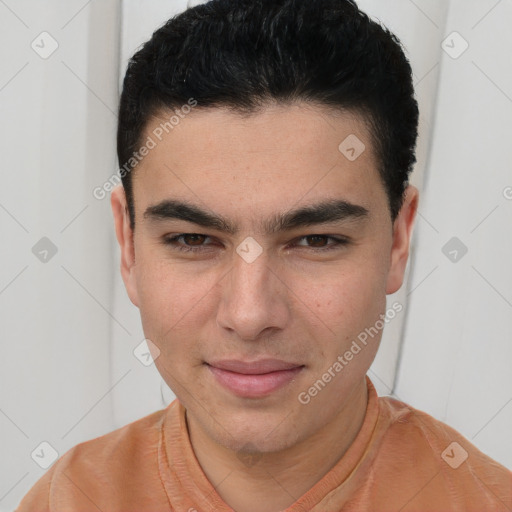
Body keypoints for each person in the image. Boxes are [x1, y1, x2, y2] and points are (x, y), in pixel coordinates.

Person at [17, 0, 511, 510]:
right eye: (193, 240)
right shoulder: (68, 498)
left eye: (316, 240)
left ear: (397, 242)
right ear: (128, 244)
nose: (250, 315)